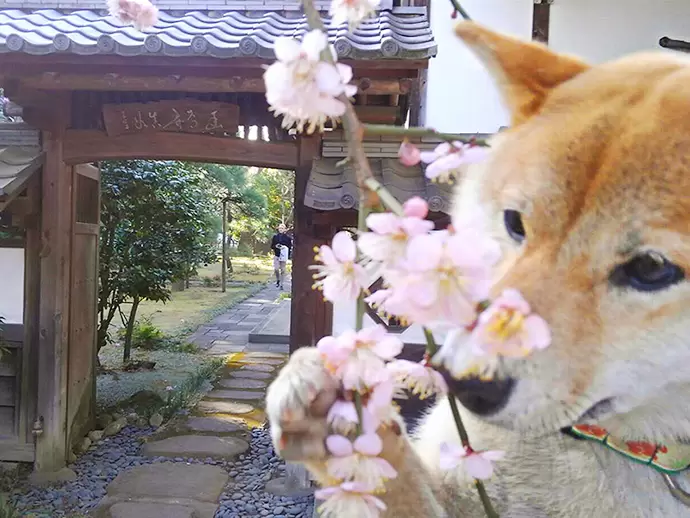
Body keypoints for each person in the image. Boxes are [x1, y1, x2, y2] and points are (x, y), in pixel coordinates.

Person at [270, 223, 292, 289]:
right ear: (278, 229)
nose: (281, 229)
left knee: (283, 270)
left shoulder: (288, 238)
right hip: (277, 255)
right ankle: (278, 280)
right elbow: (272, 246)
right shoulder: (275, 237)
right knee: (276, 269)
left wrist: (284, 248)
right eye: (280, 228)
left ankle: (282, 284)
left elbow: (289, 247)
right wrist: (276, 246)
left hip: (284, 256)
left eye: (282, 228)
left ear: (285, 229)